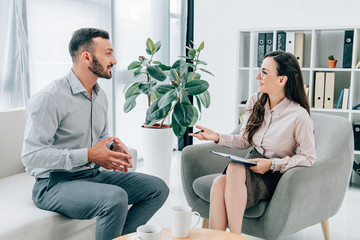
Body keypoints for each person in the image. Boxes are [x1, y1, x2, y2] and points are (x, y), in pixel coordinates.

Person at [21, 28, 169, 240]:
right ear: (86, 57)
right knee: (115, 198)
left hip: (91, 175)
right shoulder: (50, 98)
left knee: (157, 188)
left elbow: (101, 136)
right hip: (53, 184)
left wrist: (110, 148)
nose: (115, 60)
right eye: (108, 53)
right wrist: (89, 155)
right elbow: (30, 157)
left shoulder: (100, 96)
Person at [190, 50, 316, 235]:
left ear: (282, 80)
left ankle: (235, 237)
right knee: (218, 183)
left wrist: (272, 164)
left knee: (233, 169)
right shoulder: (255, 101)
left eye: (264, 72)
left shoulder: (299, 116)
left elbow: (309, 157)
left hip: (273, 174)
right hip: (250, 163)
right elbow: (244, 141)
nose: (258, 76)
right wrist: (216, 137)